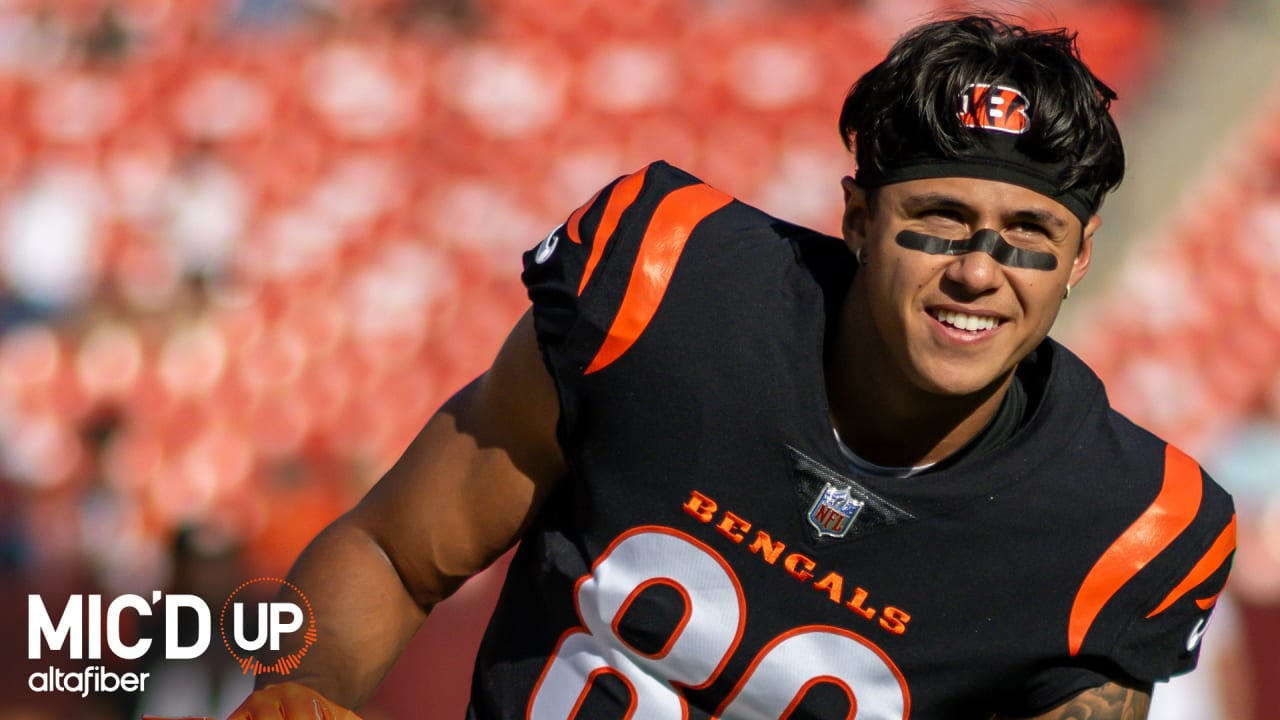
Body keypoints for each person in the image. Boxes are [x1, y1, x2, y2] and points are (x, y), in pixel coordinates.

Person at [227, 14, 1237, 719]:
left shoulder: (1112, 525)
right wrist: (300, 686)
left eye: (1027, 234)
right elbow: (396, 552)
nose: (976, 270)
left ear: (1079, 262)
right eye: (937, 221)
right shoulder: (667, 299)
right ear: (856, 219)